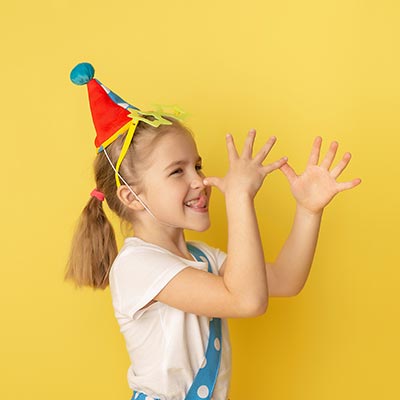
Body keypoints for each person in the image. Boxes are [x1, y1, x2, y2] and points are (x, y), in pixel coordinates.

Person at [65, 63, 361, 400]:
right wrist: (238, 197)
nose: (200, 181)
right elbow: (247, 300)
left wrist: (308, 211)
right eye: (177, 171)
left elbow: (285, 279)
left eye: (198, 166)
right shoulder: (136, 265)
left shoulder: (203, 258)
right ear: (131, 197)